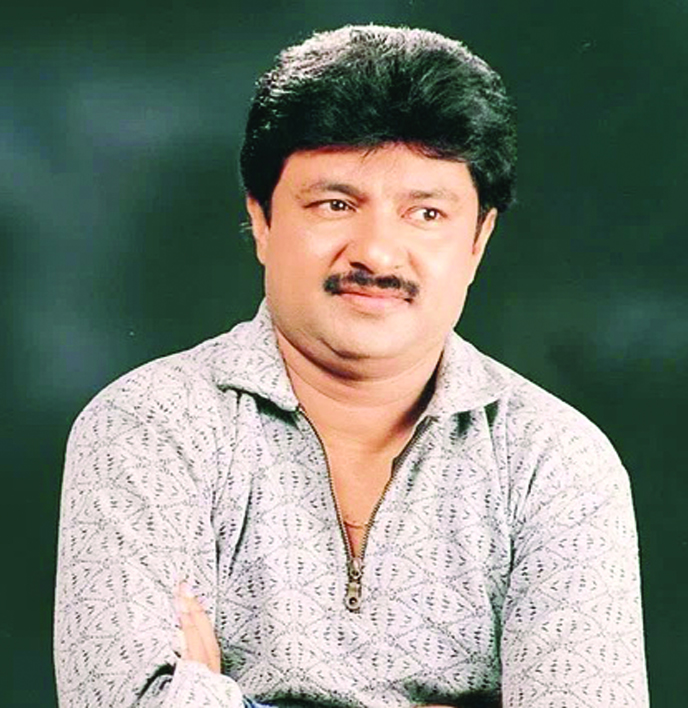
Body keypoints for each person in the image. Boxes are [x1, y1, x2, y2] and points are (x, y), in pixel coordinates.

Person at [54, 24, 649, 708]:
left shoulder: (553, 458)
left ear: (478, 240)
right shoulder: (149, 426)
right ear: (262, 220)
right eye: (336, 205)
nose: (377, 254)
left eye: (426, 213)